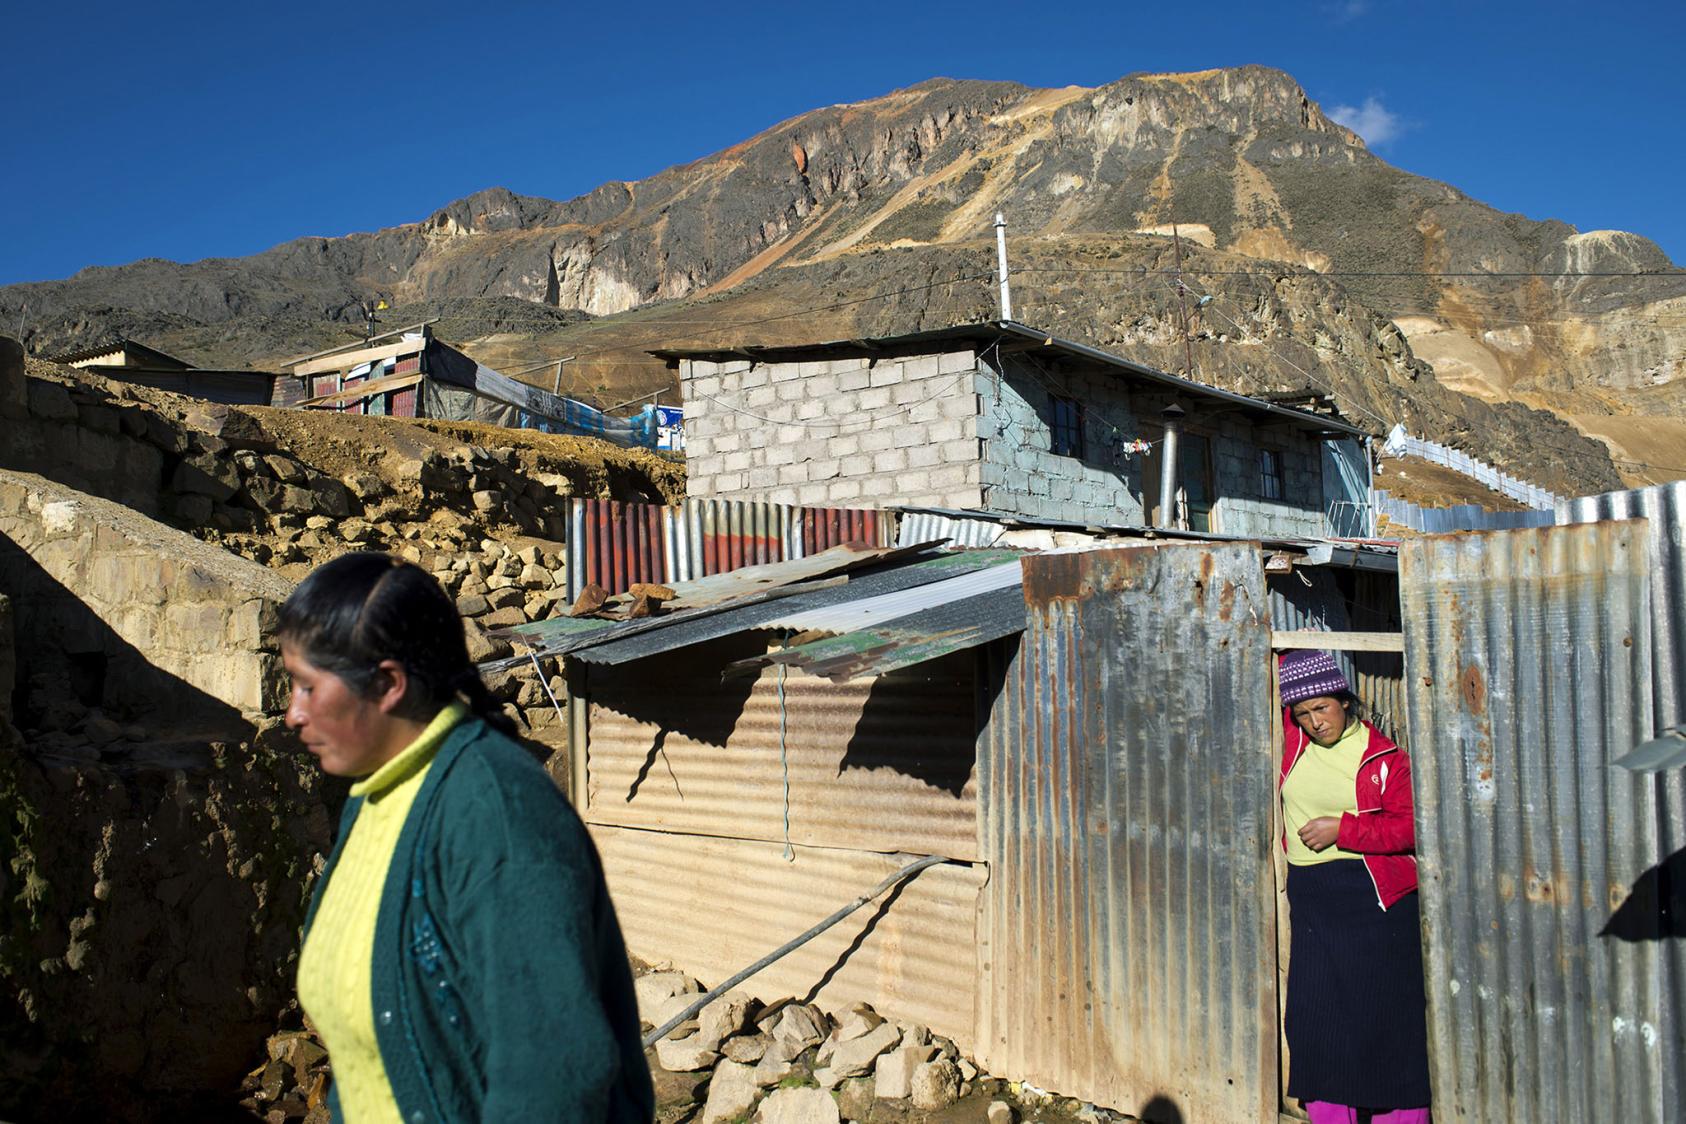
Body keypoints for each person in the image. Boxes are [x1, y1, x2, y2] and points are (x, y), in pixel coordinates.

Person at [279, 551, 654, 1122]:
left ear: (387, 684)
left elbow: (552, 1076)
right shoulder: (374, 795)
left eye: (307, 687)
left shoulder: (495, 813)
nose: (291, 714)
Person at [1277, 649, 1431, 1124]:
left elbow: (1410, 828)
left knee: (1385, 1022)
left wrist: (1343, 829)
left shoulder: (1386, 758)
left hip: (1375, 902)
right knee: (1316, 1020)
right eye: (1302, 714)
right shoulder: (1295, 745)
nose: (1314, 722)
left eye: (1321, 707)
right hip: (1315, 904)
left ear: (1343, 699)